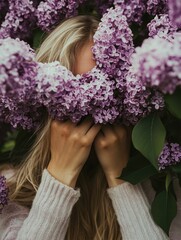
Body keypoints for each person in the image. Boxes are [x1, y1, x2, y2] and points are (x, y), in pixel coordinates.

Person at [0, 15, 169, 240]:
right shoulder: (10, 193)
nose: (86, 109)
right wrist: (59, 177)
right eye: (68, 95)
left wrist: (123, 180)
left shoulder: (162, 188)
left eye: (99, 94)